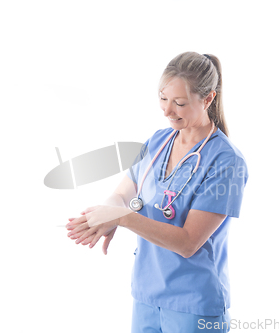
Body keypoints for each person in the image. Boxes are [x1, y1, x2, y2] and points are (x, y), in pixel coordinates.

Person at [66, 51, 248, 333]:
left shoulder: (227, 161)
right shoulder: (158, 141)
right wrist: (103, 216)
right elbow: (123, 194)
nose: (167, 111)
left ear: (208, 99)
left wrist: (121, 218)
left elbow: (188, 242)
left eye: (179, 103)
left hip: (194, 306)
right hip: (146, 297)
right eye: (163, 99)